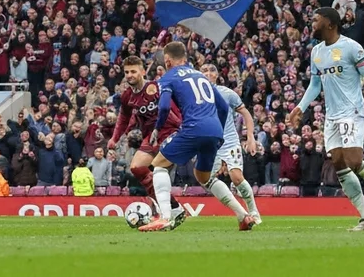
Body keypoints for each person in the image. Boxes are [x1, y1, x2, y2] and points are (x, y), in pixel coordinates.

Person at [289, 7, 364, 231]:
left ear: (330, 24)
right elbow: (315, 85)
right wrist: (300, 108)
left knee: (354, 161)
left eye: (316, 20)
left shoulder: (351, 47)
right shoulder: (316, 52)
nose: (312, 24)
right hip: (331, 115)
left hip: (352, 111)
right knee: (340, 164)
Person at [138, 42, 257, 232]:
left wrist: (157, 128)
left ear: (167, 60)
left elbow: (164, 107)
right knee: (204, 178)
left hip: (193, 128)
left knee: (159, 164)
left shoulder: (168, 77)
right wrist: (216, 129)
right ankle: (243, 215)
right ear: (185, 58)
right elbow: (224, 108)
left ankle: (165, 217)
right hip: (215, 132)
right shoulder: (202, 77)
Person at [107, 55, 189, 226]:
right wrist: (115, 138)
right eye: (127, 72)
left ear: (142, 71)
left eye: (133, 71)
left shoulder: (157, 86)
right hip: (151, 136)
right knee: (136, 167)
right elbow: (123, 118)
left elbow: (175, 102)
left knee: (160, 168)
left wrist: (183, 122)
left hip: (170, 130)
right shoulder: (127, 96)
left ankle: (168, 213)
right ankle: (173, 207)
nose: (130, 75)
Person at [201, 64, 262, 223]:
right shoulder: (195, 95)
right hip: (209, 143)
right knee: (206, 179)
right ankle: (240, 212)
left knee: (236, 177)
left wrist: (250, 138)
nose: (208, 73)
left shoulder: (227, 94)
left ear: (217, 75)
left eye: (211, 70)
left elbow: (246, 114)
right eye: (204, 71)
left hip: (229, 141)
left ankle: (254, 211)